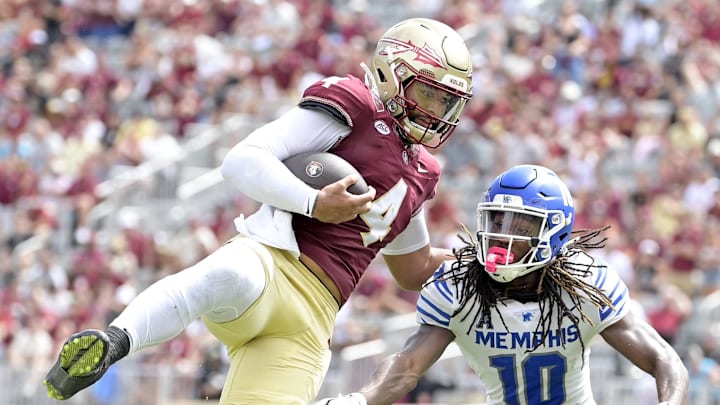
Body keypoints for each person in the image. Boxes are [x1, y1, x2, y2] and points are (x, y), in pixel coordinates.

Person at [42, 17, 473, 404]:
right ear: (390, 74)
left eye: (446, 103)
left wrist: (480, 261)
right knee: (226, 275)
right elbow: (243, 160)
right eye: (429, 96)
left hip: (310, 323)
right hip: (272, 261)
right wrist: (314, 203)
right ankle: (114, 341)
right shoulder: (356, 106)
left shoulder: (422, 170)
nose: (437, 114)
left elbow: (412, 269)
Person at [318, 164, 689, 405]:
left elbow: (664, 359)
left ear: (554, 233)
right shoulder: (459, 287)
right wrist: (359, 401)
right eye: (496, 221)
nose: (501, 237)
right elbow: (406, 367)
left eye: (519, 226)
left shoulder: (583, 285)